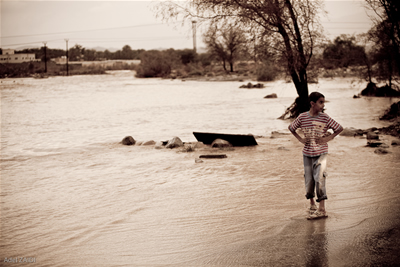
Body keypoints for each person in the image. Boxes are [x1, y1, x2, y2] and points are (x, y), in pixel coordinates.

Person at [288, 92, 343, 219]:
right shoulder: (302, 117)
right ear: (312, 104)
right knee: (309, 180)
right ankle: (312, 204)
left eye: (323, 102)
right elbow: (291, 128)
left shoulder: (325, 118)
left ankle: (322, 209)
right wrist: (300, 139)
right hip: (307, 154)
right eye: (321, 102)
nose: (323, 105)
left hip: (321, 153)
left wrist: (328, 138)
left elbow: (339, 128)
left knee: (319, 178)